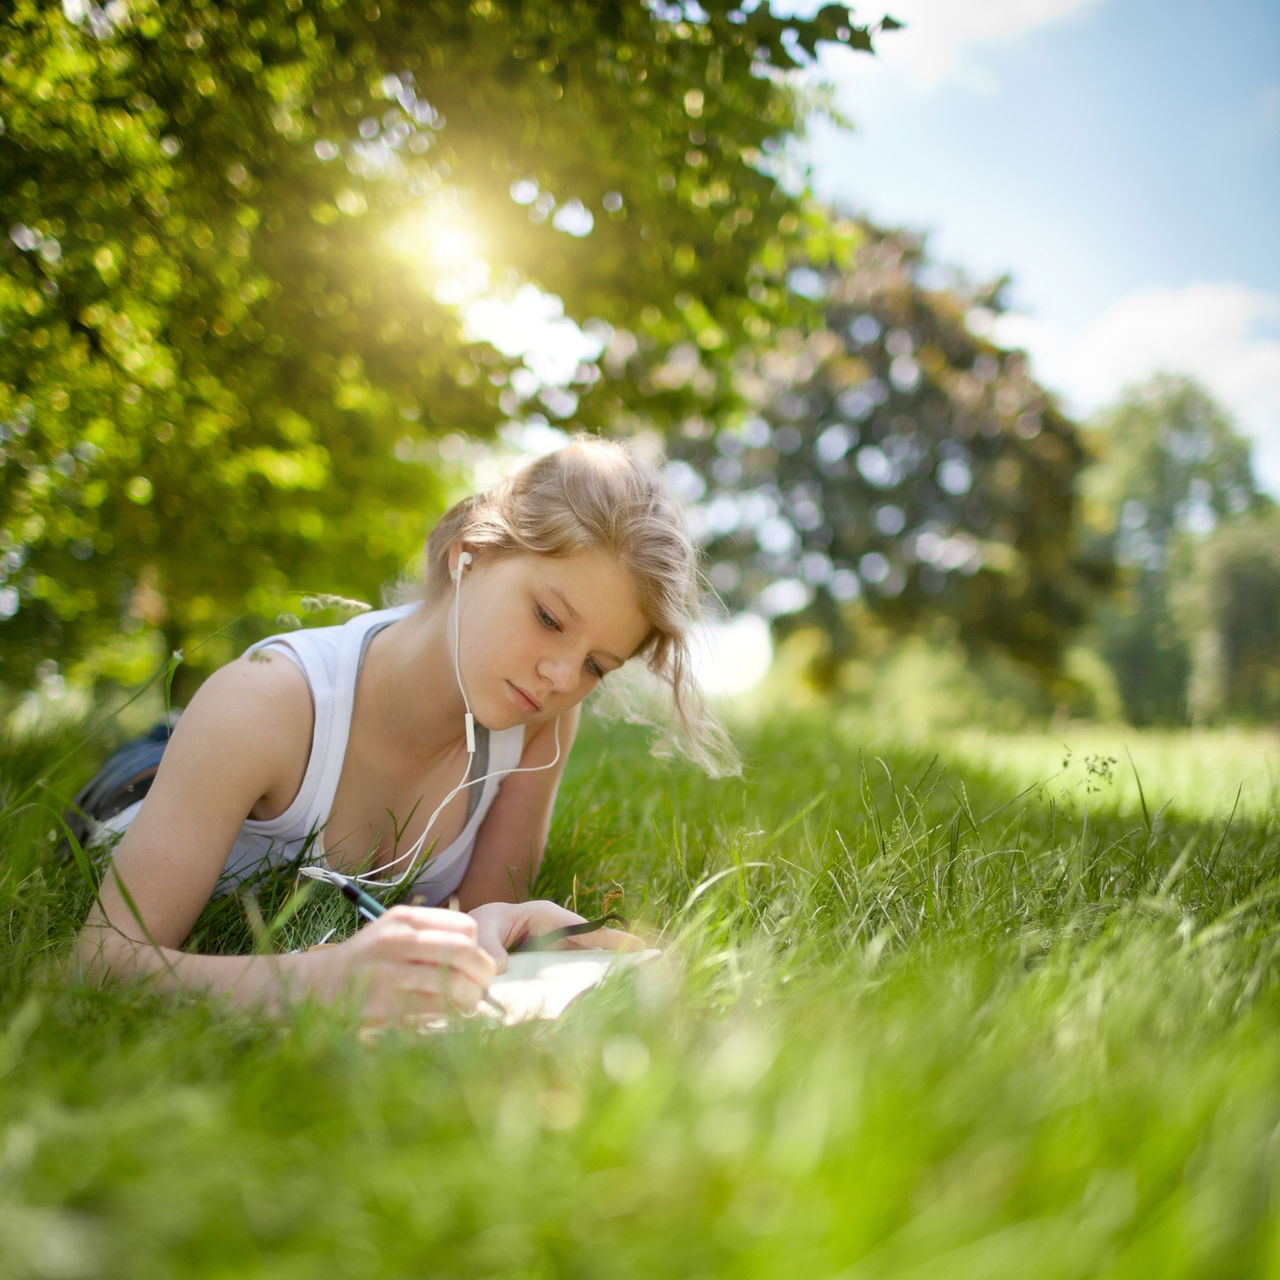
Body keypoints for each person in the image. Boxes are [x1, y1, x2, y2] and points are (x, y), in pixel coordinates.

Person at [74, 435, 732, 1026]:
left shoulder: (542, 720)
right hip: (151, 779)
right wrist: (317, 980)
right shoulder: (262, 702)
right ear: (468, 553)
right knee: (187, 740)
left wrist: (517, 927)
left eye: (597, 664)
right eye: (549, 618)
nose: (561, 675)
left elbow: (476, 925)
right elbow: (97, 968)